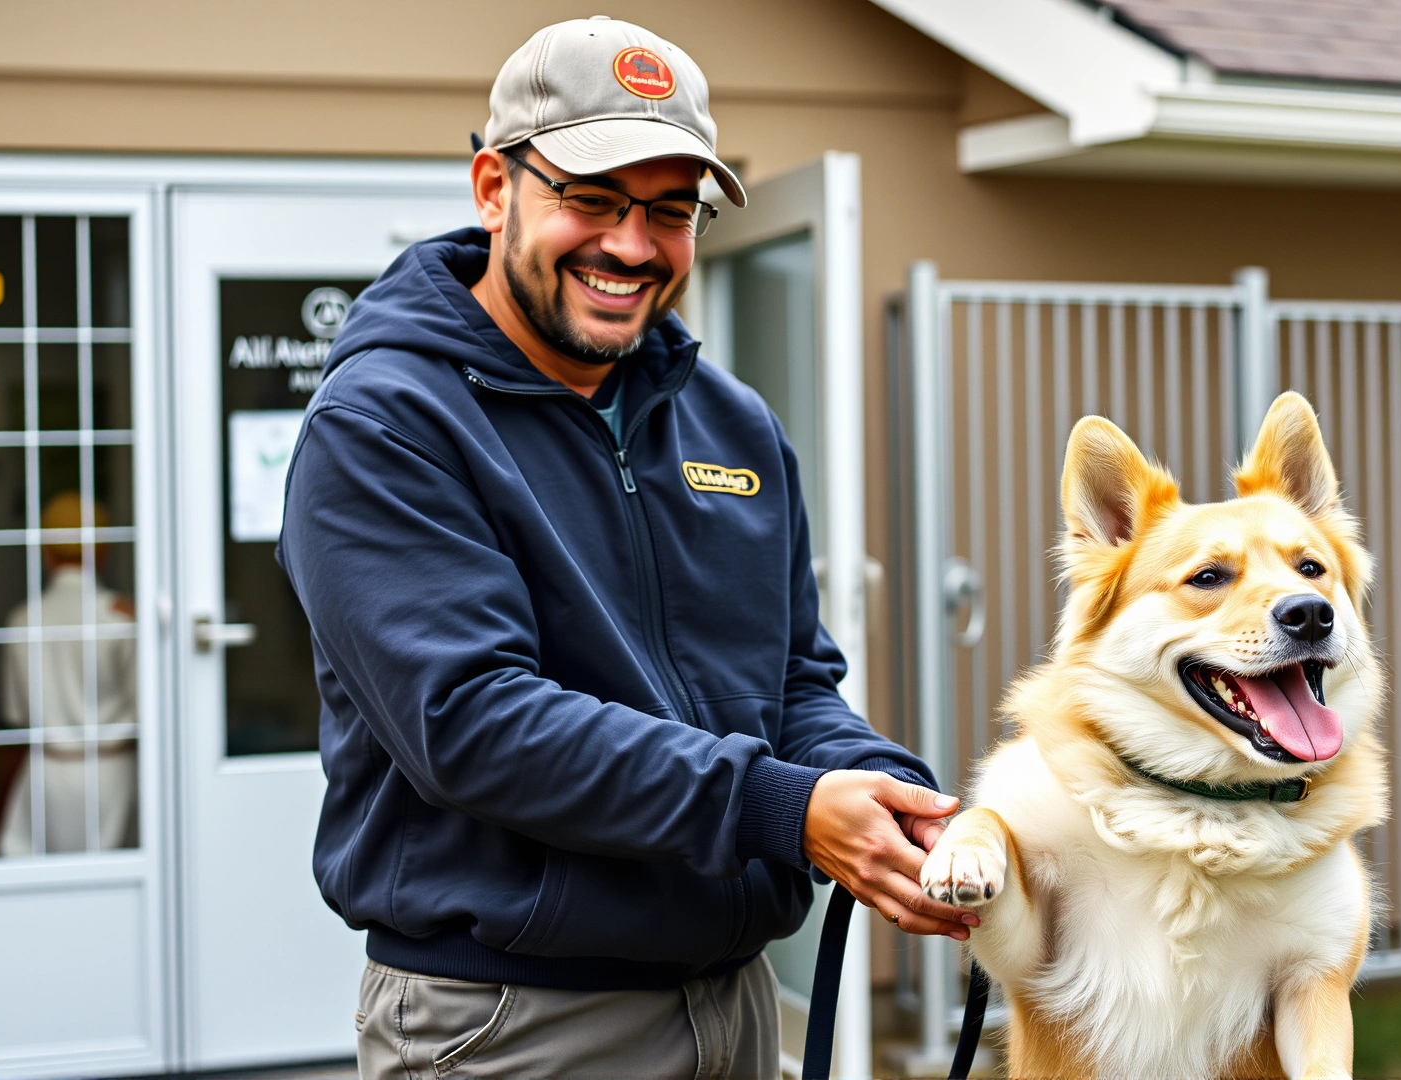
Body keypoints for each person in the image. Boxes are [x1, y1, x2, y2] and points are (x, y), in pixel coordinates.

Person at [276, 16, 976, 1078]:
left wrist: (887, 796)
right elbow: (472, 721)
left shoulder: (731, 424)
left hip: (735, 1009)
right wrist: (781, 809)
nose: (633, 245)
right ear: (492, 188)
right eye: (591, 200)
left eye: (669, 210)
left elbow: (789, 682)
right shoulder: (385, 423)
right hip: (511, 1021)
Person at [0, 491, 137, 856]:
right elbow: (144, 708)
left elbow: (15, 713)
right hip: (113, 772)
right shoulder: (121, 618)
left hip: (46, 771)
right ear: (102, 553)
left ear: (46, 554)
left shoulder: (21, 619)